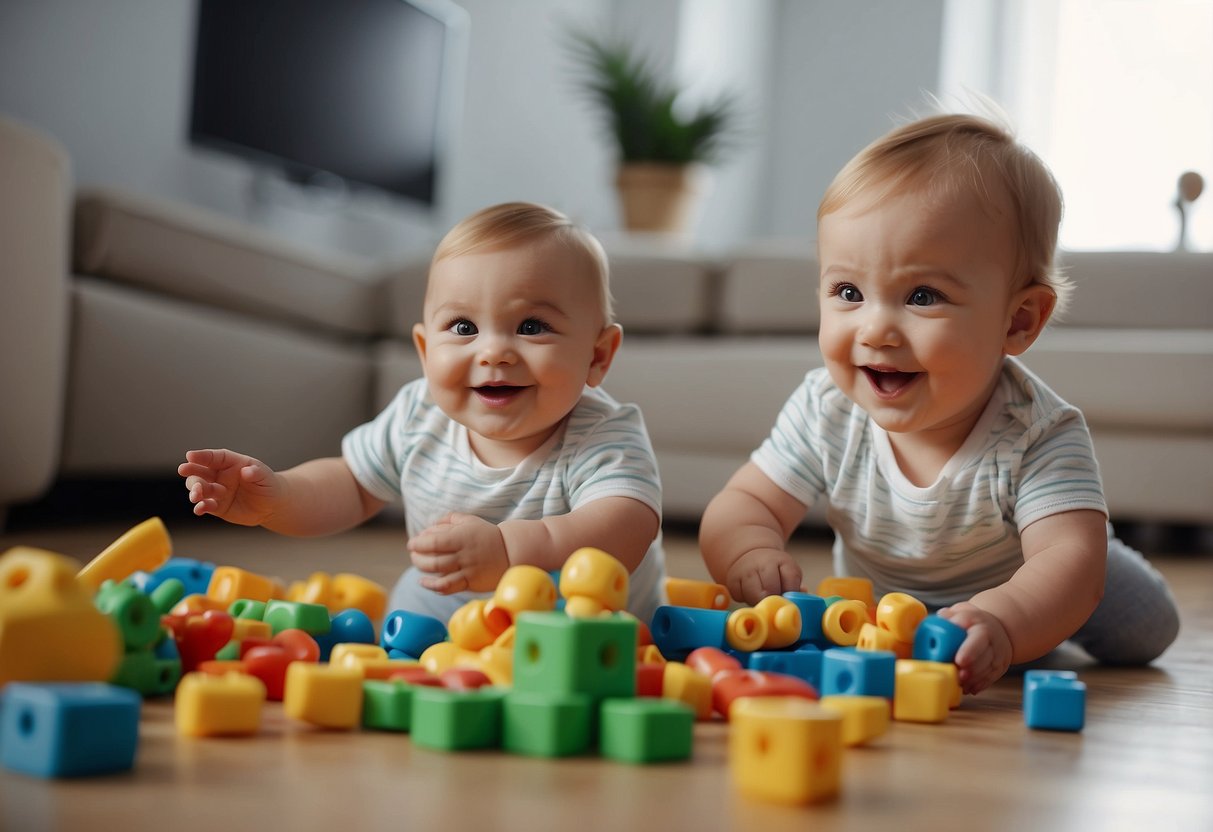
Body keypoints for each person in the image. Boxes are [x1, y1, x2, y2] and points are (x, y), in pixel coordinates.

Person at [698, 113, 1179, 695]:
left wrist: (1006, 618)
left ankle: (1090, 535)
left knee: (1143, 630)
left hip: (1025, 583)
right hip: (887, 610)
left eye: (922, 296)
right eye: (848, 292)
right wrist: (749, 547)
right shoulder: (826, 409)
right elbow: (745, 501)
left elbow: (1066, 568)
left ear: (1017, 321)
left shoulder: (1037, 433)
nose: (875, 330)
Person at [179, 202, 666, 625]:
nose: (493, 351)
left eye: (532, 326)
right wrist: (277, 499)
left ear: (598, 356)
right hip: (452, 605)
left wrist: (510, 551)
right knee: (408, 605)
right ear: (424, 348)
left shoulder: (602, 433)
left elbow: (623, 528)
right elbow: (350, 485)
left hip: (576, 618)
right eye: (463, 326)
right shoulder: (419, 413)